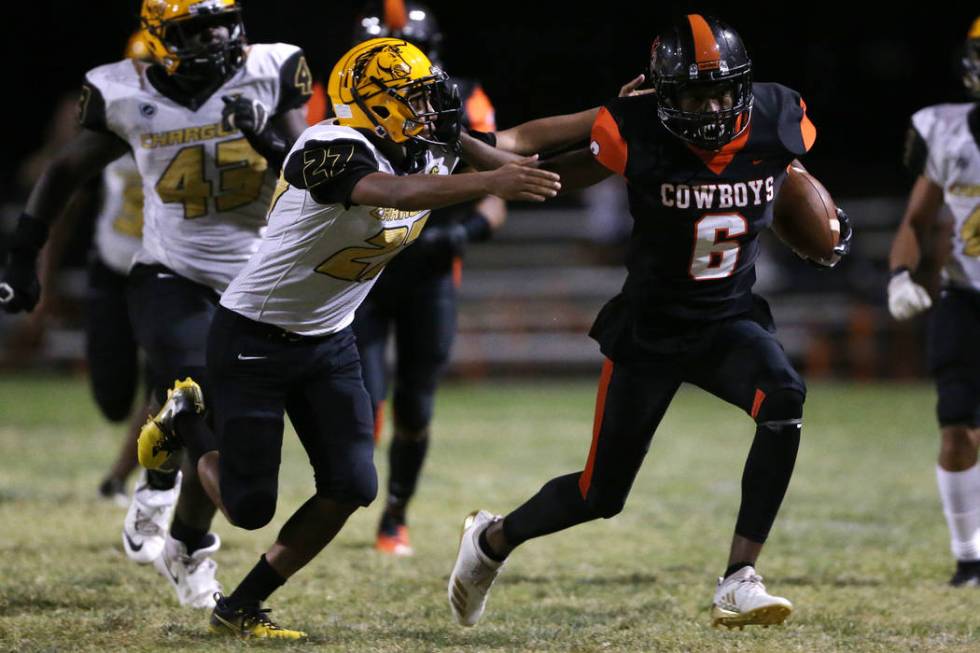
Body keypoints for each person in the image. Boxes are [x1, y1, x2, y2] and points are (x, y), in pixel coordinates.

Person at [135, 37, 561, 639]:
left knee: (353, 485)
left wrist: (621, 124)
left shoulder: (426, 151)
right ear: (375, 104)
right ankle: (184, 421)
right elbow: (392, 193)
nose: (431, 111)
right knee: (249, 507)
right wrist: (488, 184)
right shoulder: (328, 146)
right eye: (415, 100)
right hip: (255, 333)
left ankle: (241, 604)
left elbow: (525, 144)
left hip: (329, 339)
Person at [447, 13, 852, 630]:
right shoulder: (633, 128)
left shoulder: (776, 116)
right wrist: (468, 145)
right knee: (598, 495)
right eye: (695, 93)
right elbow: (536, 157)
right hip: (651, 329)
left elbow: (789, 171)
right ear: (663, 95)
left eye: (723, 90)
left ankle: (740, 578)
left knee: (785, 399)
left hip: (728, 320)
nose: (713, 106)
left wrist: (818, 219)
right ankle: (492, 541)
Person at [0, 0, 312, 609]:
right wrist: (23, 254)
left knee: (226, 431)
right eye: (197, 27)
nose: (216, 36)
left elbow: (314, 167)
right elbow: (63, 173)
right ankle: (170, 502)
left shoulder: (272, 69)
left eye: (222, 21)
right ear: (163, 36)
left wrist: (267, 137)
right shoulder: (124, 91)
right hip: (172, 270)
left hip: (257, 278)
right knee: (197, 388)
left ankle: (180, 527)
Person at [348, 0, 507, 558]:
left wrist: (461, 237)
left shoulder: (461, 97)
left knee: (415, 405)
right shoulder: (341, 101)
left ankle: (395, 516)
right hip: (361, 270)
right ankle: (344, 498)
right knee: (364, 401)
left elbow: (497, 183)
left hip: (429, 273)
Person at [887, 16, 980, 587]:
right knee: (957, 428)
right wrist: (899, 275)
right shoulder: (946, 132)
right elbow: (917, 220)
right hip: (967, 296)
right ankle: (969, 555)